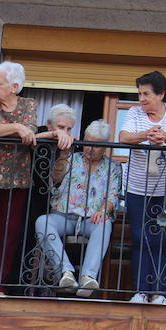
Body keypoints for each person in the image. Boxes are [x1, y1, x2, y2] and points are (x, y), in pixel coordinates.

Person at [0, 62, 69, 294]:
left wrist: (13, 131)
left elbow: (29, 133)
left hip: (17, 178)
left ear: (14, 86)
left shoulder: (29, 104)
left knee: (8, 234)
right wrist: (15, 128)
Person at [119, 70, 166, 304]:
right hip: (138, 189)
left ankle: (160, 292)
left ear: (160, 94)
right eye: (139, 94)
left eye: (146, 94)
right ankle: (141, 291)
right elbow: (123, 137)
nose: (141, 99)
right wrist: (147, 134)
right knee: (140, 237)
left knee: (164, 239)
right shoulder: (133, 112)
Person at [34, 117, 120, 299]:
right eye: (87, 142)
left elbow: (113, 195)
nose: (89, 148)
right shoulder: (72, 158)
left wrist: (104, 210)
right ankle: (65, 273)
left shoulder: (113, 167)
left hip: (91, 220)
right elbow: (55, 179)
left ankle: (88, 277)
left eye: (96, 145)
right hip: (63, 215)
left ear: (105, 147)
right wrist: (64, 154)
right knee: (43, 222)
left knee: (105, 225)